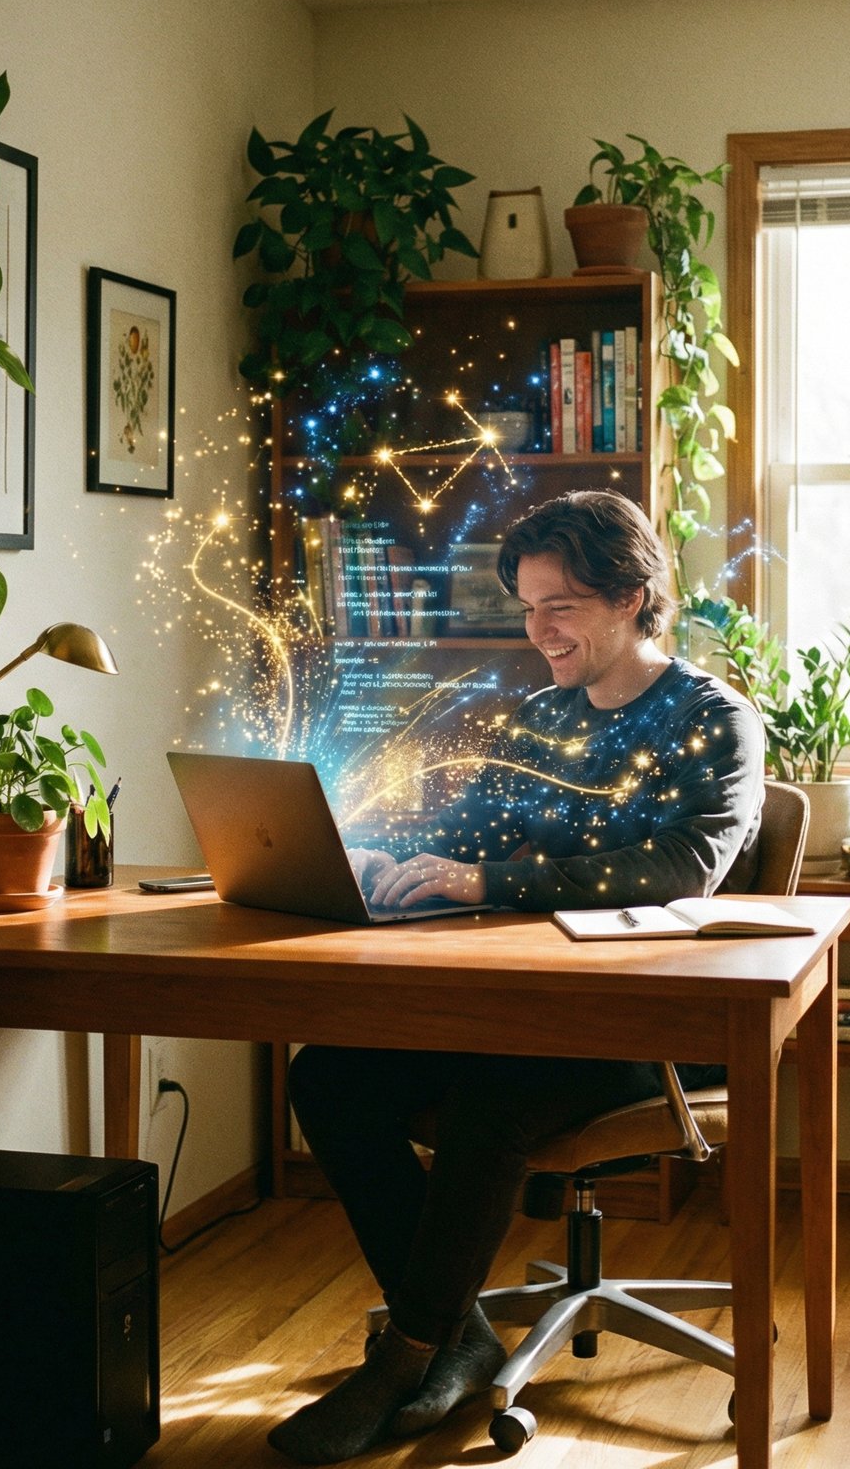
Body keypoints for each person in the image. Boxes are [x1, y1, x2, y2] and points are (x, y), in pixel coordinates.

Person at [271, 490, 763, 1464]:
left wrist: (489, 876)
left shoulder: (714, 718)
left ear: (631, 595)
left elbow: (680, 869)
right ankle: (458, 1332)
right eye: (529, 606)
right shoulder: (540, 717)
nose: (539, 630)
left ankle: (407, 1351)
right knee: (326, 1076)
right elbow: (466, 842)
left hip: (648, 1029)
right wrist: (369, 855)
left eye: (561, 606)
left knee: (489, 1100)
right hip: (516, 1008)